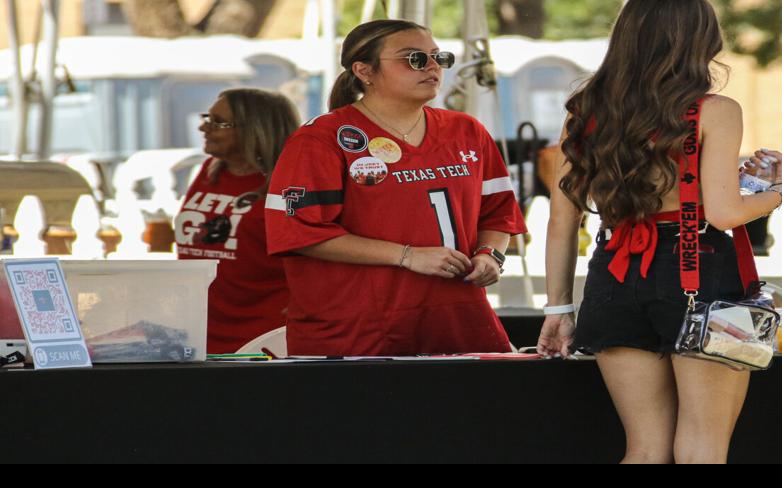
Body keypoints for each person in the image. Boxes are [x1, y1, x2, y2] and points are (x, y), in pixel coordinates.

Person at [538, 0, 782, 464]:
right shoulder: (714, 110)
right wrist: (781, 188)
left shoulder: (585, 111)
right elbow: (723, 214)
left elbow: (563, 219)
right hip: (702, 273)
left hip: (613, 275)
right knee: (703, 449)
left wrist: (558, 306)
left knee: (643, 449)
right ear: (702, 40)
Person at [264, 18, 526, 356]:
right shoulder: (322, 138)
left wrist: (491, 256)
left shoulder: (467, 130)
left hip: (458, 321)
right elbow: (299, 231)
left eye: (439, 57)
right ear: (364, 70)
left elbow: (498, 214)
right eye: (414, 58)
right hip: (357, 327)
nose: (432, 66)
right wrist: (407, 256)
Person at [175, 88, 300, 355]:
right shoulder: (211, 170)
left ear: (256, 130)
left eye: (218, 122)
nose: (203, 127)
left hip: (263, 336)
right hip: (200, 329)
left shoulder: (289, 183)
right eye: (207, 117)